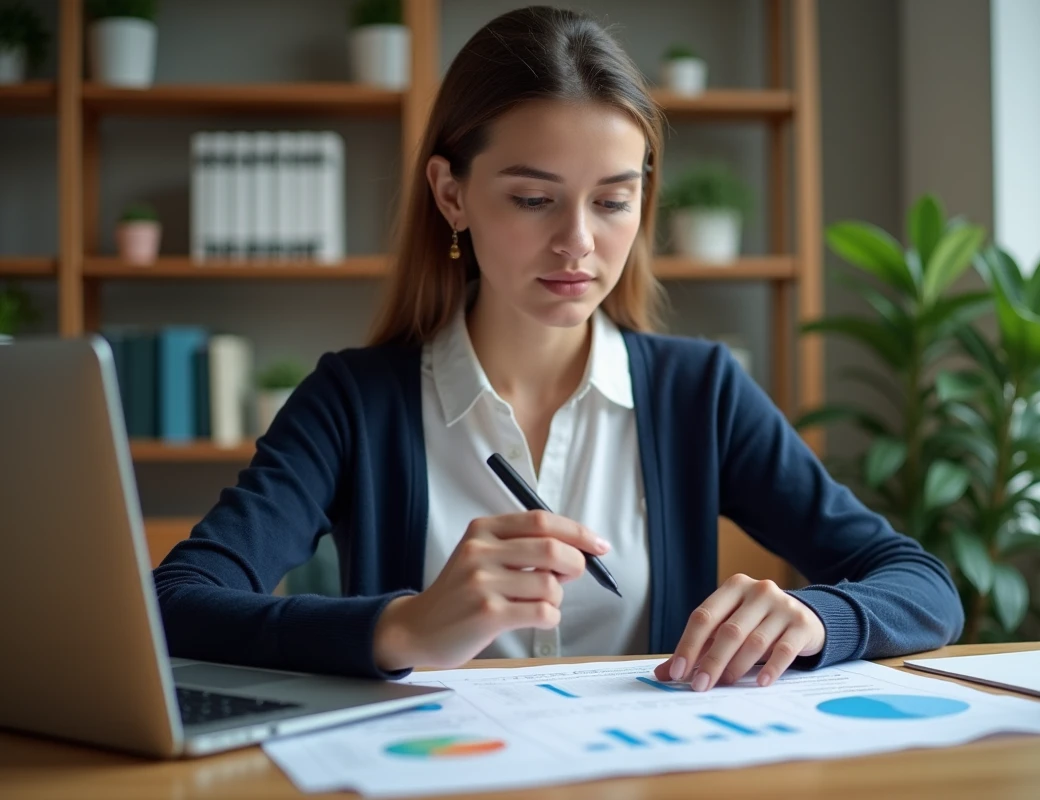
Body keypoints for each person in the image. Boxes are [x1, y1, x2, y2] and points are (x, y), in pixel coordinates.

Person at [154, 5, 963, 694]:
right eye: (534, 199)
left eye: (613, 200)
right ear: (451, 194)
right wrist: (402, 629)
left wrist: (816, 617)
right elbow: (177, 600)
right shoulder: (352, 403)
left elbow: (924, 587)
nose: (578, 243)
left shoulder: (700, 392)